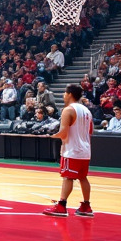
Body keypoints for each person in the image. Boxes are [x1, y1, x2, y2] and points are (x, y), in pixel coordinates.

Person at [42, 84, 94, 217]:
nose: (63, 95)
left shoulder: (68, 110)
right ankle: (86, 206)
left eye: (65, 93)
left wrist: (50, 136)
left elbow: (64, 132)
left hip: (72, 150)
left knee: (68, 178)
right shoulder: (87, 111)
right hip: (85, 150)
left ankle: (61, 206)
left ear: (70, 94)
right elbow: (91, 131)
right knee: (83, 178)